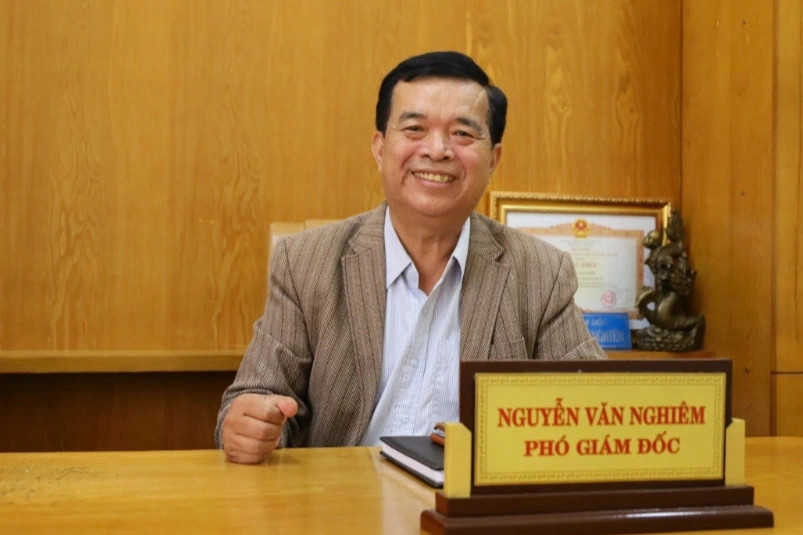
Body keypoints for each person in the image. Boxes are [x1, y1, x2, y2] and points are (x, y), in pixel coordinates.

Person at [216, 51, 605, 464]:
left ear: (493, 160)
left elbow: (596, 407)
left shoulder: (541, 272)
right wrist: (250, 425)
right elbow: (255, 396)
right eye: (415, 128)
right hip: (343, 496)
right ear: (380, 148)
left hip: (468, 499)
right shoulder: (306, 262)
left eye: (462, 133)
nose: (437, 150)